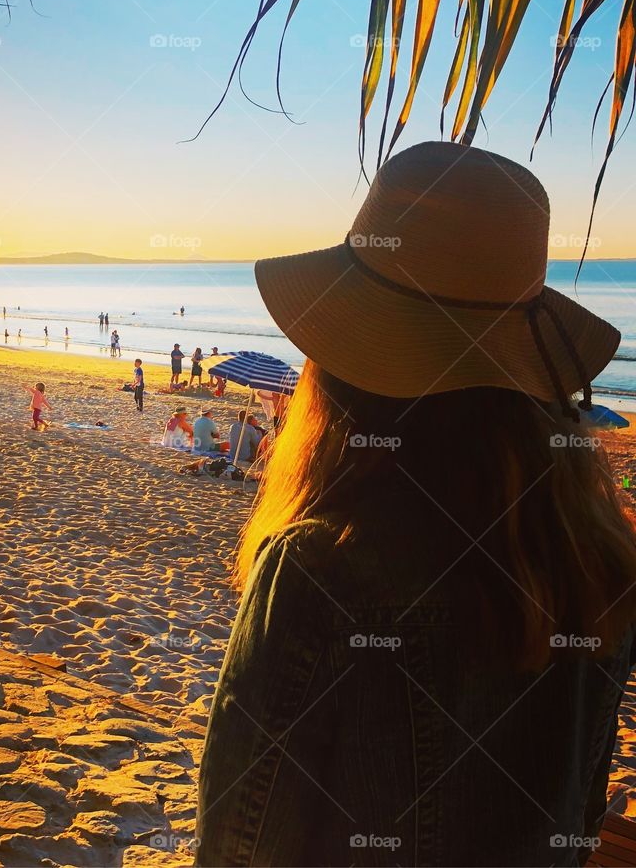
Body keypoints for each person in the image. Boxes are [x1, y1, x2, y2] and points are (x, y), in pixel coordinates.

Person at [195, 142, 636, 866]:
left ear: (347, 360)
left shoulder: (321, 567)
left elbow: (242, 848)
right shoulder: (598, 568)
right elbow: (578, 824)